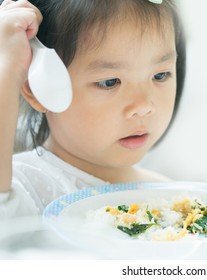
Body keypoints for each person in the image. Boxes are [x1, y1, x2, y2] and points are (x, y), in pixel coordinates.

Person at [0, 0, 186, 218]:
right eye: (110, 82)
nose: (144, 107)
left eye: (160, 75)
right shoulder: (30, 185)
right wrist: (7, 70)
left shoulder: (171, 196)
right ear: (38, 86)